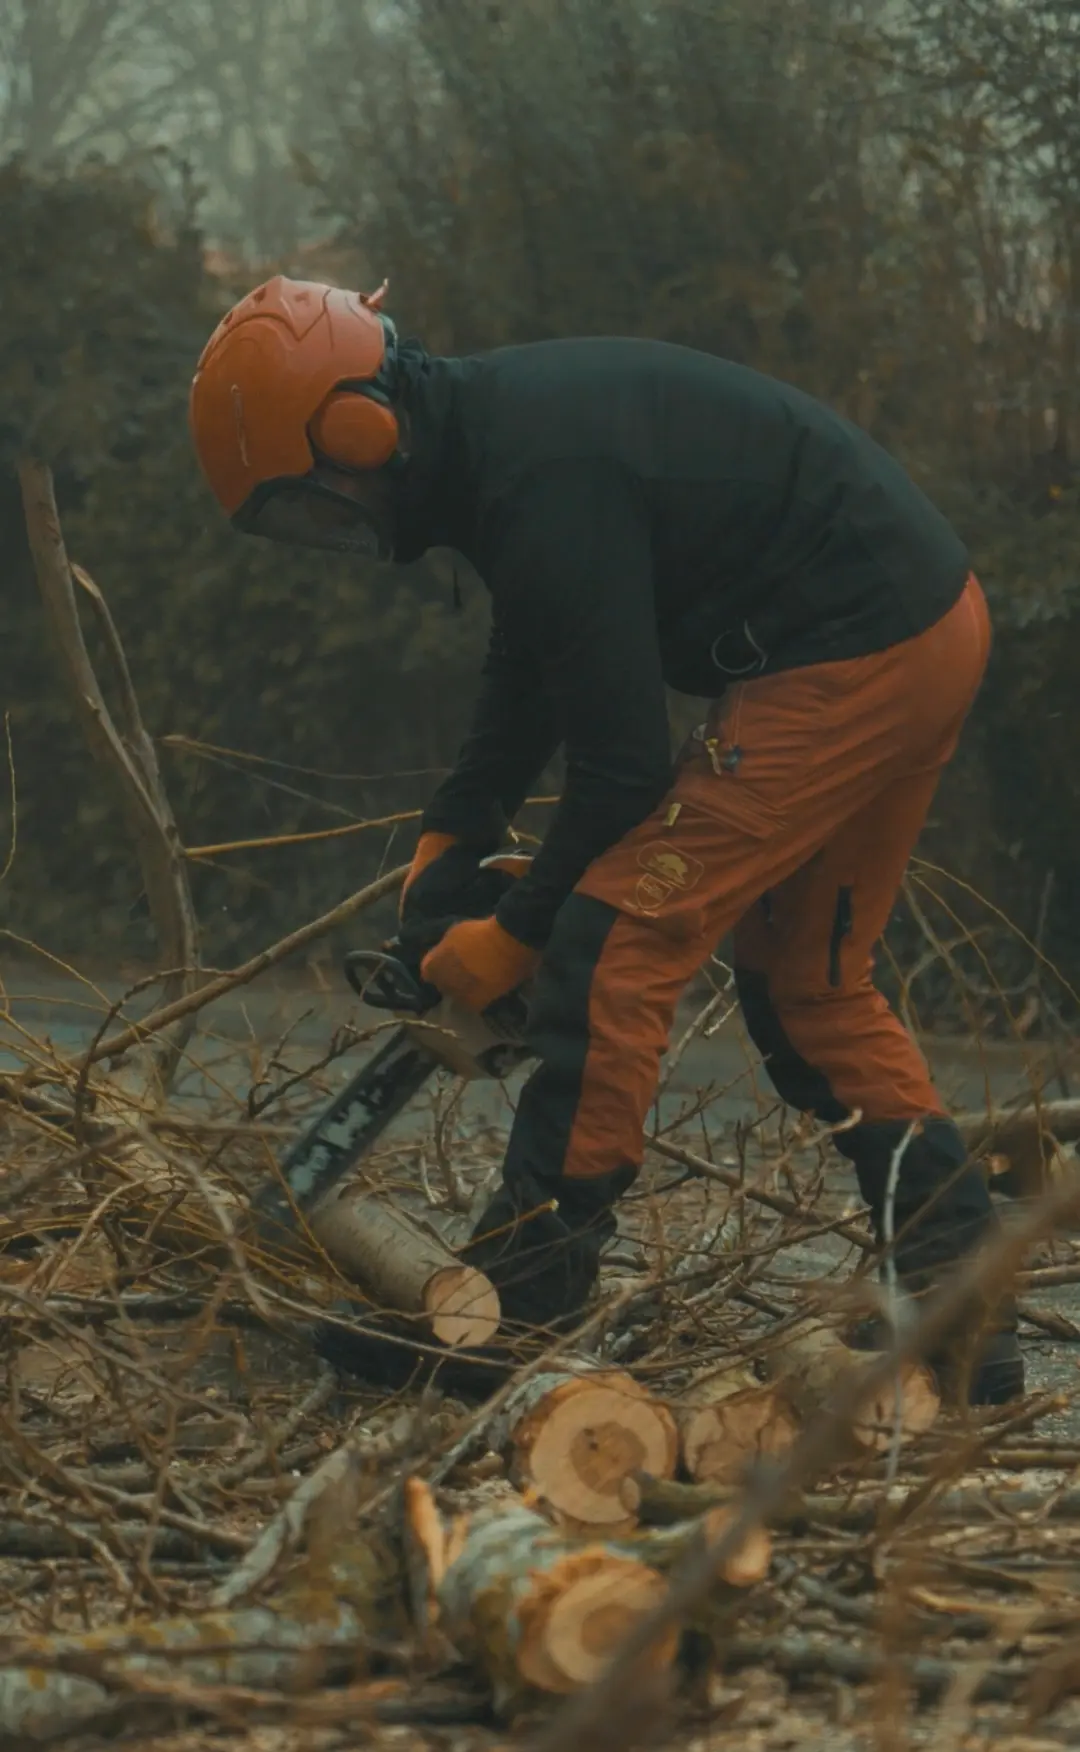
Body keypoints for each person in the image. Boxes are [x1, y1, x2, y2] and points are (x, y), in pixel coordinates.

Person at [189, 274, 1022, 1403]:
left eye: (315, 505)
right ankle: (970, 1333)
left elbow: (623, 770)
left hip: (851, 646)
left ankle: (520, 1310)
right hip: (925, 621)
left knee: (616, 943)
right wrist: (452, 838)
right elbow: (533, 663)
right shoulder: (507, 450)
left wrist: (520, 932)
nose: (336, 529)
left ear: (359, 429)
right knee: (810, 987)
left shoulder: (537, 475)